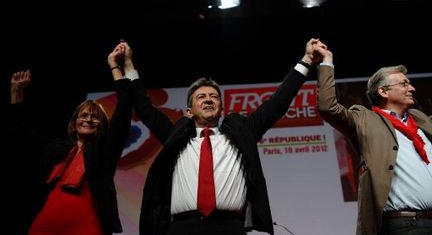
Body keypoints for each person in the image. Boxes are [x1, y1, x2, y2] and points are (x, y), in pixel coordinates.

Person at [117, 38, 323, 235]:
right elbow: (145, 109)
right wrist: (128, 66)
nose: (208, 100)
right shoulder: (175, 137)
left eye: (213, 97)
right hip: (182, 228)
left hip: (230, 228)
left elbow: (277, 103)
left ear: (221, 108)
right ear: (189, 111)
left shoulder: (241, 135)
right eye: (201, 97)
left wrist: (306, 61)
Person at [6, 41, 133, 235]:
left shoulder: (105, 150)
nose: (88, 120)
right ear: (74, 123)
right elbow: (21, 133)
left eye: (95, 117)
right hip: (44, 223)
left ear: (102, 126)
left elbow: (124, 109)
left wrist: (115, 66)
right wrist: (16, 91)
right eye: (83, 115)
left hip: (87, 226)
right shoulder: (55, 149)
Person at [314, 43, 432, 234]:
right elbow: (328, 107)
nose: (412, 88)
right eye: (404, 84)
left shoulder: (420, 120)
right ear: (383, 91)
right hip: (405, 225)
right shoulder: (365, 120)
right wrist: (327, 62)